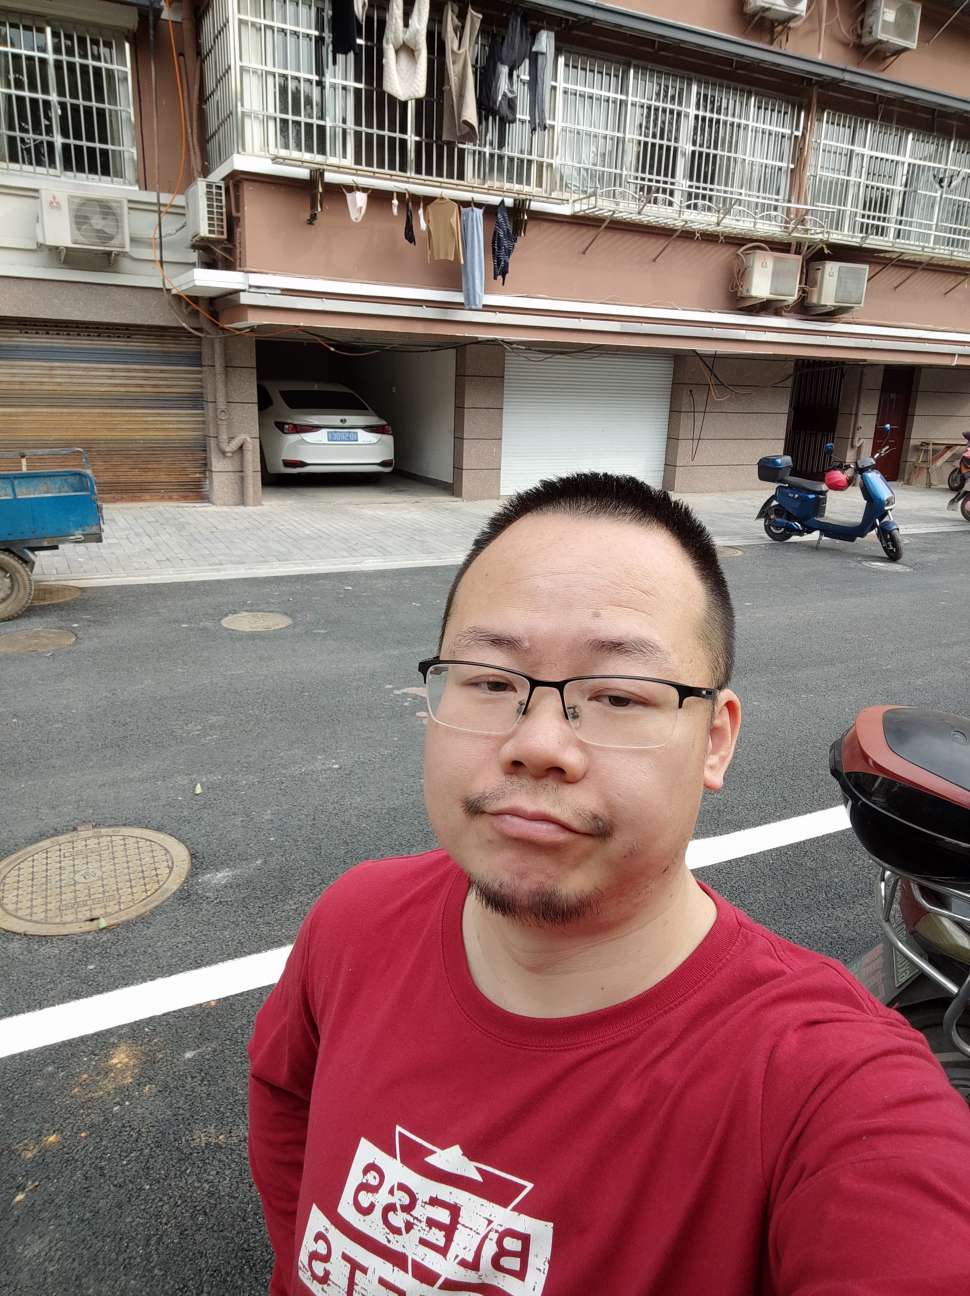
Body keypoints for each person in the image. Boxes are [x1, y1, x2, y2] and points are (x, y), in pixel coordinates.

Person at [248, 471, 970, 1296]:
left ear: (715, 742)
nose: (537, 744)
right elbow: (285, 1105)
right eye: (490, 681)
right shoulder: (354, 921)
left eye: (619, 695)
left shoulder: (826, 1089)